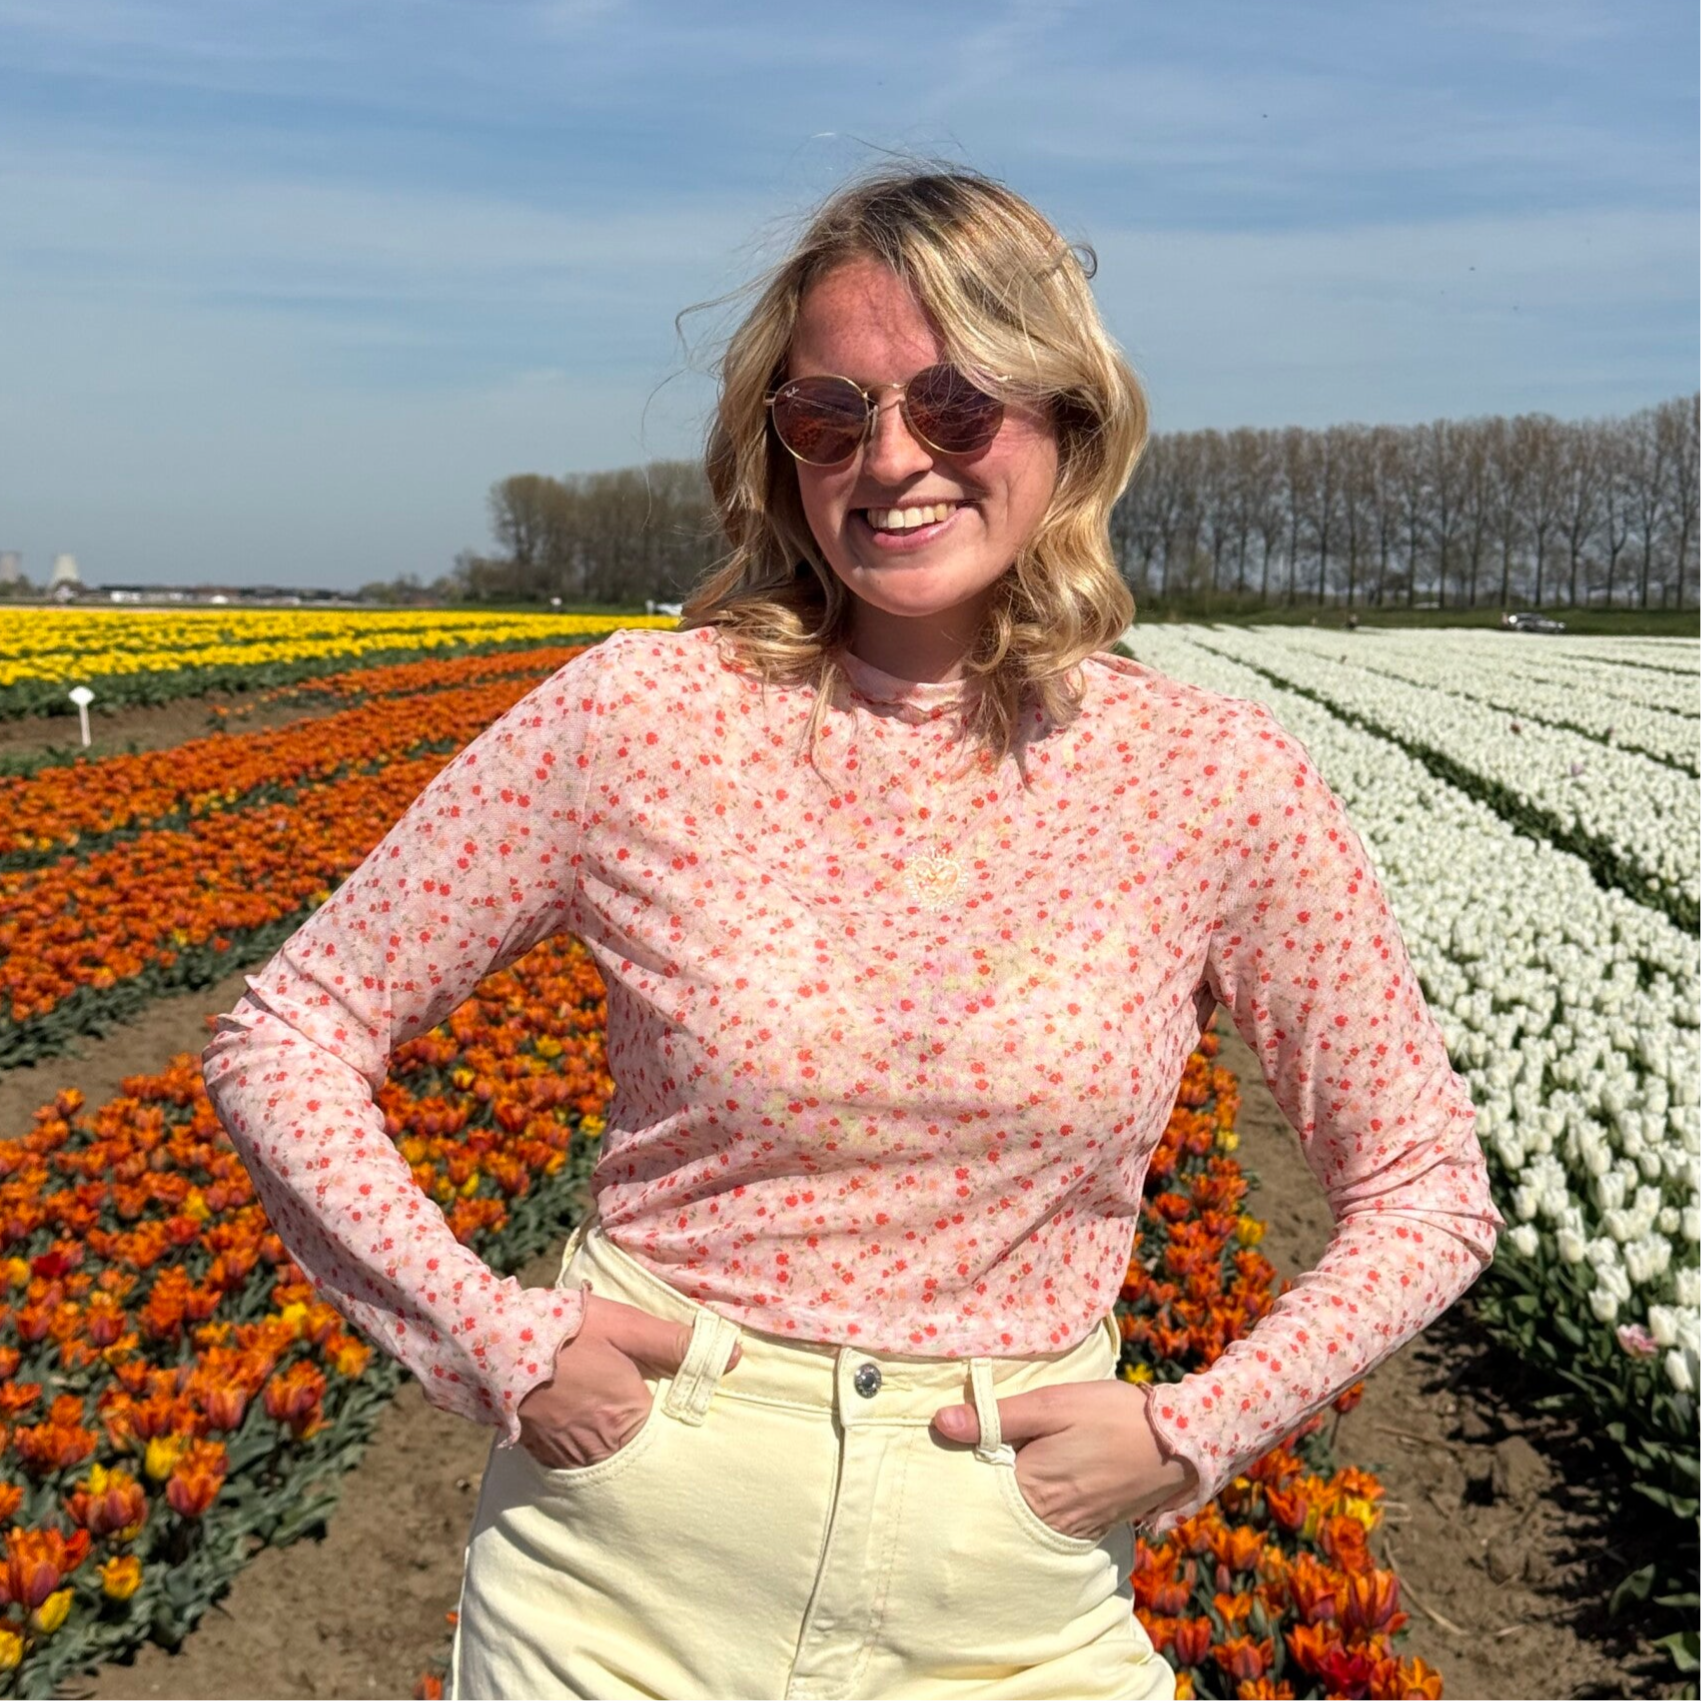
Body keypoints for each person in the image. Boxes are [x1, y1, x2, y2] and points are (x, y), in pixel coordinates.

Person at [201, 164, 1502, 1701]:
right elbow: (286, 1035)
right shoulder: (641, 719)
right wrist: (495, 1340)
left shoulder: (1209, 779)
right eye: (829, 415)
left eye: (955, 402)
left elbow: (1423, 1188)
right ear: (778, 450)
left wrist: (1189, 1431)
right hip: (628, 1565)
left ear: (1066, 421)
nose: (891, 459)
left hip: (1005, 1585)